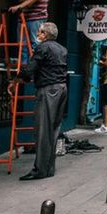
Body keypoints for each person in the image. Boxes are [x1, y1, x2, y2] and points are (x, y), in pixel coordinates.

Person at [16, 22, 68, 180]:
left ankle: (40, 170)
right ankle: (48, 168)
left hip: (48, 90)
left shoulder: (43, 47)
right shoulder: (62, 49)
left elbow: (31, 68)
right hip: (61, 88)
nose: (37, 35)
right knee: (53, 130)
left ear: (45, 35)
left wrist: (19, 77)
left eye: (39, 32)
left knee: (43, 130)